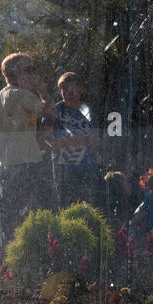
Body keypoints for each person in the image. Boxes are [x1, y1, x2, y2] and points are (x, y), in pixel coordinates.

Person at [0, 52, 56, 244]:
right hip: (29, 164)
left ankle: (8, 265)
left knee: (9, 221)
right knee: (36, 218)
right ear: (17, 73)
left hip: (5, 167)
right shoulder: (23, 95)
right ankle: (31, 260)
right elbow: (52, 112)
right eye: (29, 70)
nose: (33, 75)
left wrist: (6, 145)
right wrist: (41, 89)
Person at [48, 71, 101, 209]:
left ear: (81, 89)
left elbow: (96, 138)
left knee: (88, 205)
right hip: (63, 166)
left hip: (87, 165)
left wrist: (88, 141)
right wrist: (69, 141)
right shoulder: (56, 110)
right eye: (64, 89)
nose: (68, 93)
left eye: (72, 89)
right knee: (65, 205)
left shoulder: (87, 110)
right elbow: (47, 140)